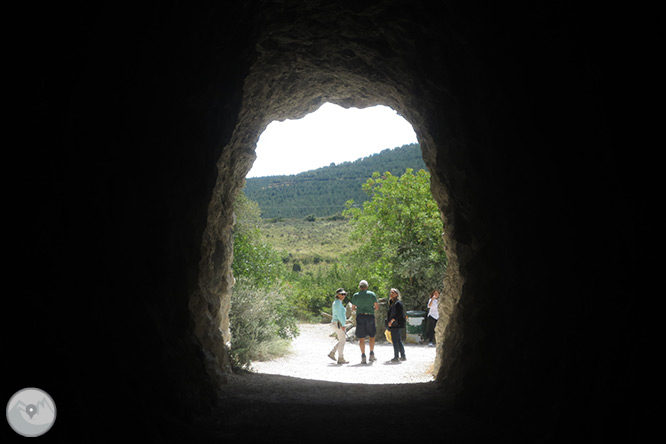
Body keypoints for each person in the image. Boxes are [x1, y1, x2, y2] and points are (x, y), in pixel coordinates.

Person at [351, 280, 379, 364]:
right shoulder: (372, 294)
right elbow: (376, 307)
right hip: (370, 316)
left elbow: (353, 308)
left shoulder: (356, 295)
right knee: (372, 335)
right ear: (367, 286)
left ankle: (363, 355)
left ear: (359, 287)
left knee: (361, 337)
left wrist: (359, 308)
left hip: (360, 316)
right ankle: (371, 354)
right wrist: (371, 309)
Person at [328, 288, 349, 364]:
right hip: (338, 324)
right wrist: (343, 325)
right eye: (342, 294)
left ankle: (332, 353)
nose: (343, 296)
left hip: (337, 323)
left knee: (341, 340)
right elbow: (339, 315)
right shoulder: (337, 303)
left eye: (344, 294)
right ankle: (340, 358)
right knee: (342, 340)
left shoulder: (338, 302)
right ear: (338, 295)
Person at [386, 288, 406, 362]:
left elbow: (399, 314)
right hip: (395, 324)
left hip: (397, 324)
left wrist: (392, 320)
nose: (391, 294)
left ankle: (396, 356)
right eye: (391, 293)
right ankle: (403, 355)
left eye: (393, 293)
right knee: (398, 339)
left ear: (397, 294)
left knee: (395, 340)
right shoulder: (392, 302)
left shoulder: (398, 303)